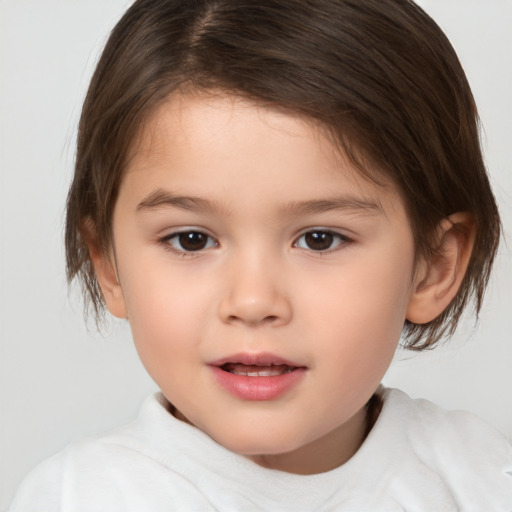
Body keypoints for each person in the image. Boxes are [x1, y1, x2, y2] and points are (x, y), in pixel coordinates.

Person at [10, 0, 512, 510]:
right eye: (191, 239)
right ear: (108, 264)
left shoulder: (484, 482)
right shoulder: (78, 498)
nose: (252, 302)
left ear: (434, 266)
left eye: (320, 239)